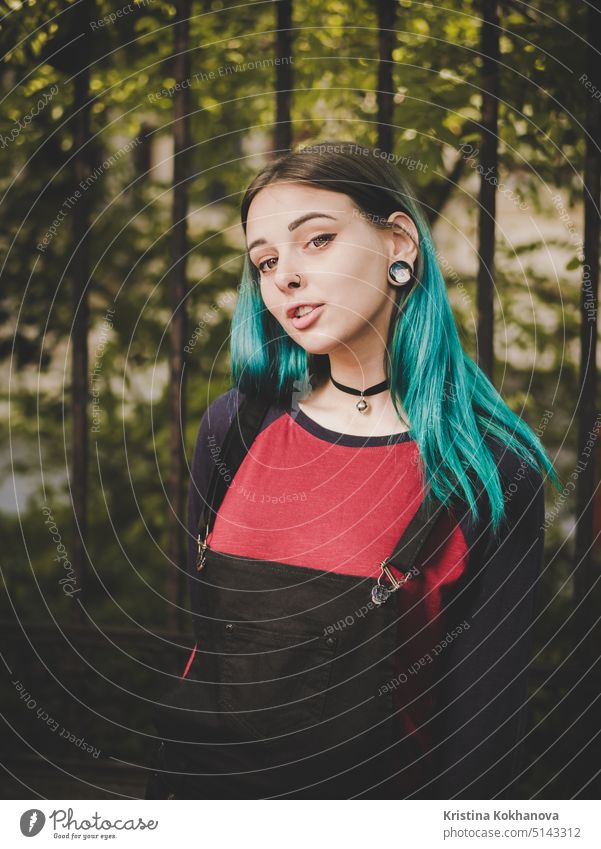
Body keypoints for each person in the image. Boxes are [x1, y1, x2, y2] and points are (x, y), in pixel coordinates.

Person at [146, 139, 561, 800]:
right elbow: (211, 645)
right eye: (265, 260)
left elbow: (485, 724)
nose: (284, 276)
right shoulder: (235, 427)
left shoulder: (488, 465)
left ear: (398, 242)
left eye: (315, 240)